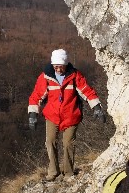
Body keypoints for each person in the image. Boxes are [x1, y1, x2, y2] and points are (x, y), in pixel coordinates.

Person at [28, 49, 106, 181]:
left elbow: (87, 91)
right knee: (50, 141)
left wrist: (97, 107)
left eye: (61, 66)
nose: (58, 69)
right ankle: (53, 172)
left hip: (71, 115)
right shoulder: (45, 77)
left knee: (68, 143)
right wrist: (32, 114)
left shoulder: (75, 75)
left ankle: (68, 173)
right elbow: (36, 96)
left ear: (66, 64)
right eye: (55, 66)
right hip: (52, 115)